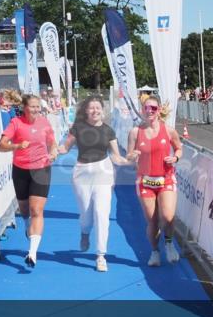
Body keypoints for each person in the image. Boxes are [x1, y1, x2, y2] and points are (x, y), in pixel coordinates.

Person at [57, 96, 129, 272]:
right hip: (82, 174)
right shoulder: (78, 128)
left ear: (103, 111)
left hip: (103, 172)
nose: (95, 111)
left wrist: (130, 162)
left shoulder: (108, 130)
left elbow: (116, 157)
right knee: (86, 215)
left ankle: (100, 255)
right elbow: (64, 148)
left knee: (101, 213)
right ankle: (85, 232)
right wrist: (52, 150)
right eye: (91, 108)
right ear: (86, 111)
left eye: (98, 108)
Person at [0, 94, 58, 268]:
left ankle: (32, 253)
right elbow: (1, 146)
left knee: (36, 210)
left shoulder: (44, 123)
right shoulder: (16, 123)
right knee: (24, 209)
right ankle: (26, 224)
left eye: (38, 107)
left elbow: (52, 142)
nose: (36, 110)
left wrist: (53, 152)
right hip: (21, 170)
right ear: (24, 107)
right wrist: (16, 146)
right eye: (32, 106)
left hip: (41, 169)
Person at [127, 94, 183, 267]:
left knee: (167, 216)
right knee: (152, 221)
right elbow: (128, 156)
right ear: (142, 110)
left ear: (159, 110)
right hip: (145, 182)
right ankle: (154, 252)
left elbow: (179, 148)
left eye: (153, 108)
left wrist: (176, 158)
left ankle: (168, 243)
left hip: (166, 179)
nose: (149, 111)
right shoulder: (135, 132)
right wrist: (132, 156)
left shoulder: (169, 130)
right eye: (146, 108)